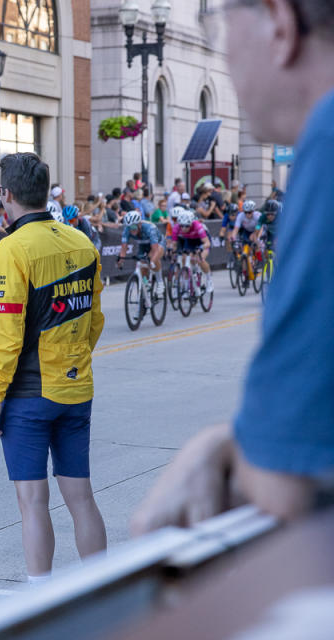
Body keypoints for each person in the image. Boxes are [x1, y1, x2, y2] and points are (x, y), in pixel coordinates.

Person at [131, 0, 334, 534]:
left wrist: (218, 447)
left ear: (280, 25)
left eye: (222, 24)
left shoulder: (327, 137)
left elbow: (285, 485)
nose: (223, 51)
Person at [0, 152, 106, 584]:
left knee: (32, 502)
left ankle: (41, 599)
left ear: (6, 195)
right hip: (76, 387)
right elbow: (95, 320)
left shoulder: (11, 248)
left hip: (28, 395)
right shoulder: (82, 241)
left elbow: (7, 332)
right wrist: (72, 359)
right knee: (81, 497)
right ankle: (103, 590)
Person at [118, 210, 164, 298]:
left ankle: (160, 282)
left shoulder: (150, 229)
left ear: (139, 224)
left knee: (152, 258)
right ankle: (146, 284)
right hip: (143, 245)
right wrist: (121, 260)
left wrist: (152, 262)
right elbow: (123, 248)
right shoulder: (127, 230)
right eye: (129, 227)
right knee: (142, 263)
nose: (132, 229)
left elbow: (155, 250)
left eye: (134, 226)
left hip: (158, 243)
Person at [170, 207, 213, 292]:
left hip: (201, 241)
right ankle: (187, 286)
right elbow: (174, 244)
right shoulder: (176, 227)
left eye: (187, 226)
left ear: (191, 224)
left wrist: (201, 248)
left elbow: (207, 243)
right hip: (189, 240)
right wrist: (172, 253)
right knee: (184, 259)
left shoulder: (198, 226)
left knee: (200, 259)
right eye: (182, 226)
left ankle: (209, 279)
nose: (184, 228)